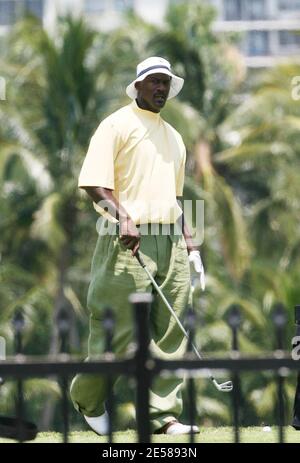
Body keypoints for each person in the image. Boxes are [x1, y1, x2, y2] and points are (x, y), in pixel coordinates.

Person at [70, 57, 205, 435]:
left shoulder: (174, 138)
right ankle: (88, 399)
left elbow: (174, 199)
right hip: (126, 236)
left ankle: (163, 417)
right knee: (118, 332)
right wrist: (123, 216)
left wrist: (192, 247)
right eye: (155, 82)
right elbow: (94, 183)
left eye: (166, 83)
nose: (161, 89)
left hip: (170, 242)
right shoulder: (116, 125)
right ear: (139, 86)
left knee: (169, 333)